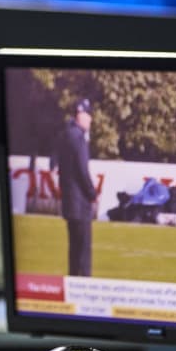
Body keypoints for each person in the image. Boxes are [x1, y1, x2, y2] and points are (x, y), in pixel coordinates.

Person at [54, 98, 96, 277]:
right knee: (84, 251)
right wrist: (92, 193)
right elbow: (82, 170)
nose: (91, 120)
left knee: (74, 249)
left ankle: (72, 284)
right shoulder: (78, 138)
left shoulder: (64, 135)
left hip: (69, 202)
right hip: (80, 203)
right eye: (88, 115)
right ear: (81, 115)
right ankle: (84, 288)